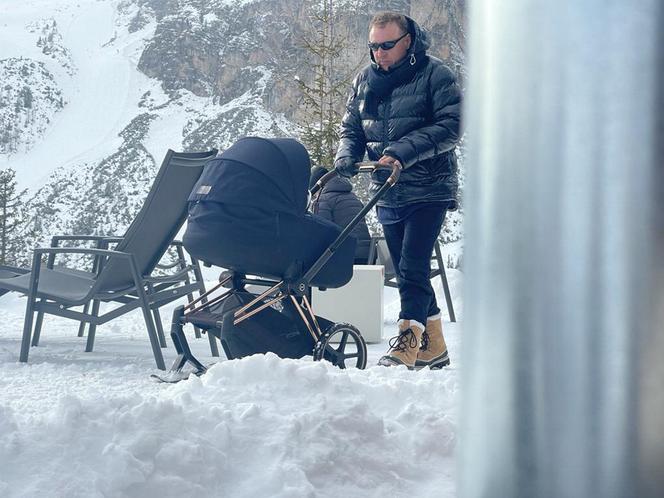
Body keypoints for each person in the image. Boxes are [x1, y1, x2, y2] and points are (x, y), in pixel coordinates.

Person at [334, 11, 462, 370]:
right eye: (374, 46)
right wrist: (347, 155)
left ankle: (407, 340)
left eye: (387, 45)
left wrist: (402, 153)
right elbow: (352, 128)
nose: (380, 54)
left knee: (413, 266)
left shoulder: (436, 74)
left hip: (429, 187)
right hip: (386, 190)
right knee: (408, 271)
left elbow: (452, 126)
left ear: (409, 41)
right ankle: (434, 347)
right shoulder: (364, 81)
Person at [309, 166, 371, 264]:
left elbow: (321, 232)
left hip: (345, 256)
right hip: (367, 253)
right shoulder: (352, 196)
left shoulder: (323, 199)